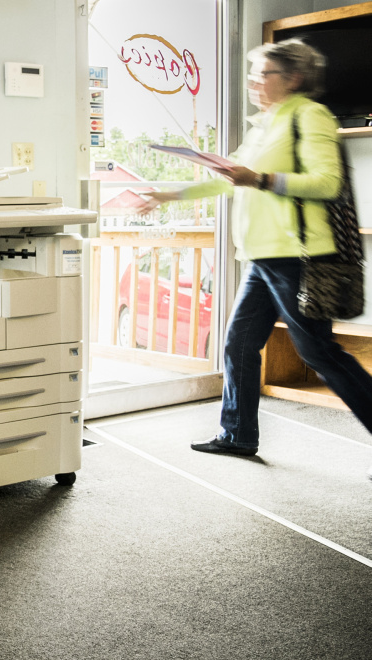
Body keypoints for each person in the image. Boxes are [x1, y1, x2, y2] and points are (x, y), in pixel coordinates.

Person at [139, 38, 372, 465]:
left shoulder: (308, 115)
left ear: (293, 77)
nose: (253, 81)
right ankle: (237, 434)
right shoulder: (265, 123)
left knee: (319, 352)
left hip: (297, 256)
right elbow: (228, 178)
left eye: (262, 73)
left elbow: (325, 182)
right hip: (262, 257)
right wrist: (169, 194)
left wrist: (260, 179)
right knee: (239, 344)